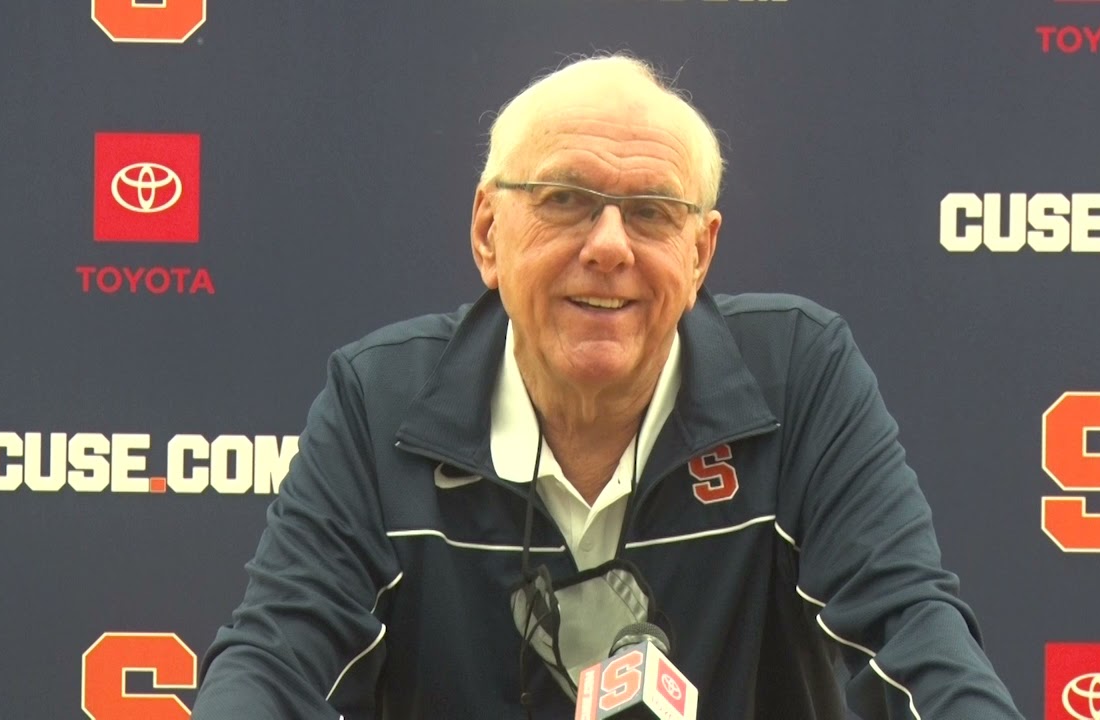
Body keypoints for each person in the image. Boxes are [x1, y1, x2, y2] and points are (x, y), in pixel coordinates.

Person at [192, 53, 1024, 719]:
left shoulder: (798, 376)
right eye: (566, 199)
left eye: (655, 212)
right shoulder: (381, 402)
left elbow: (912, 631)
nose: (610, 246)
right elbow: (276, 659)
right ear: (489, 231)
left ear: (701, 255)